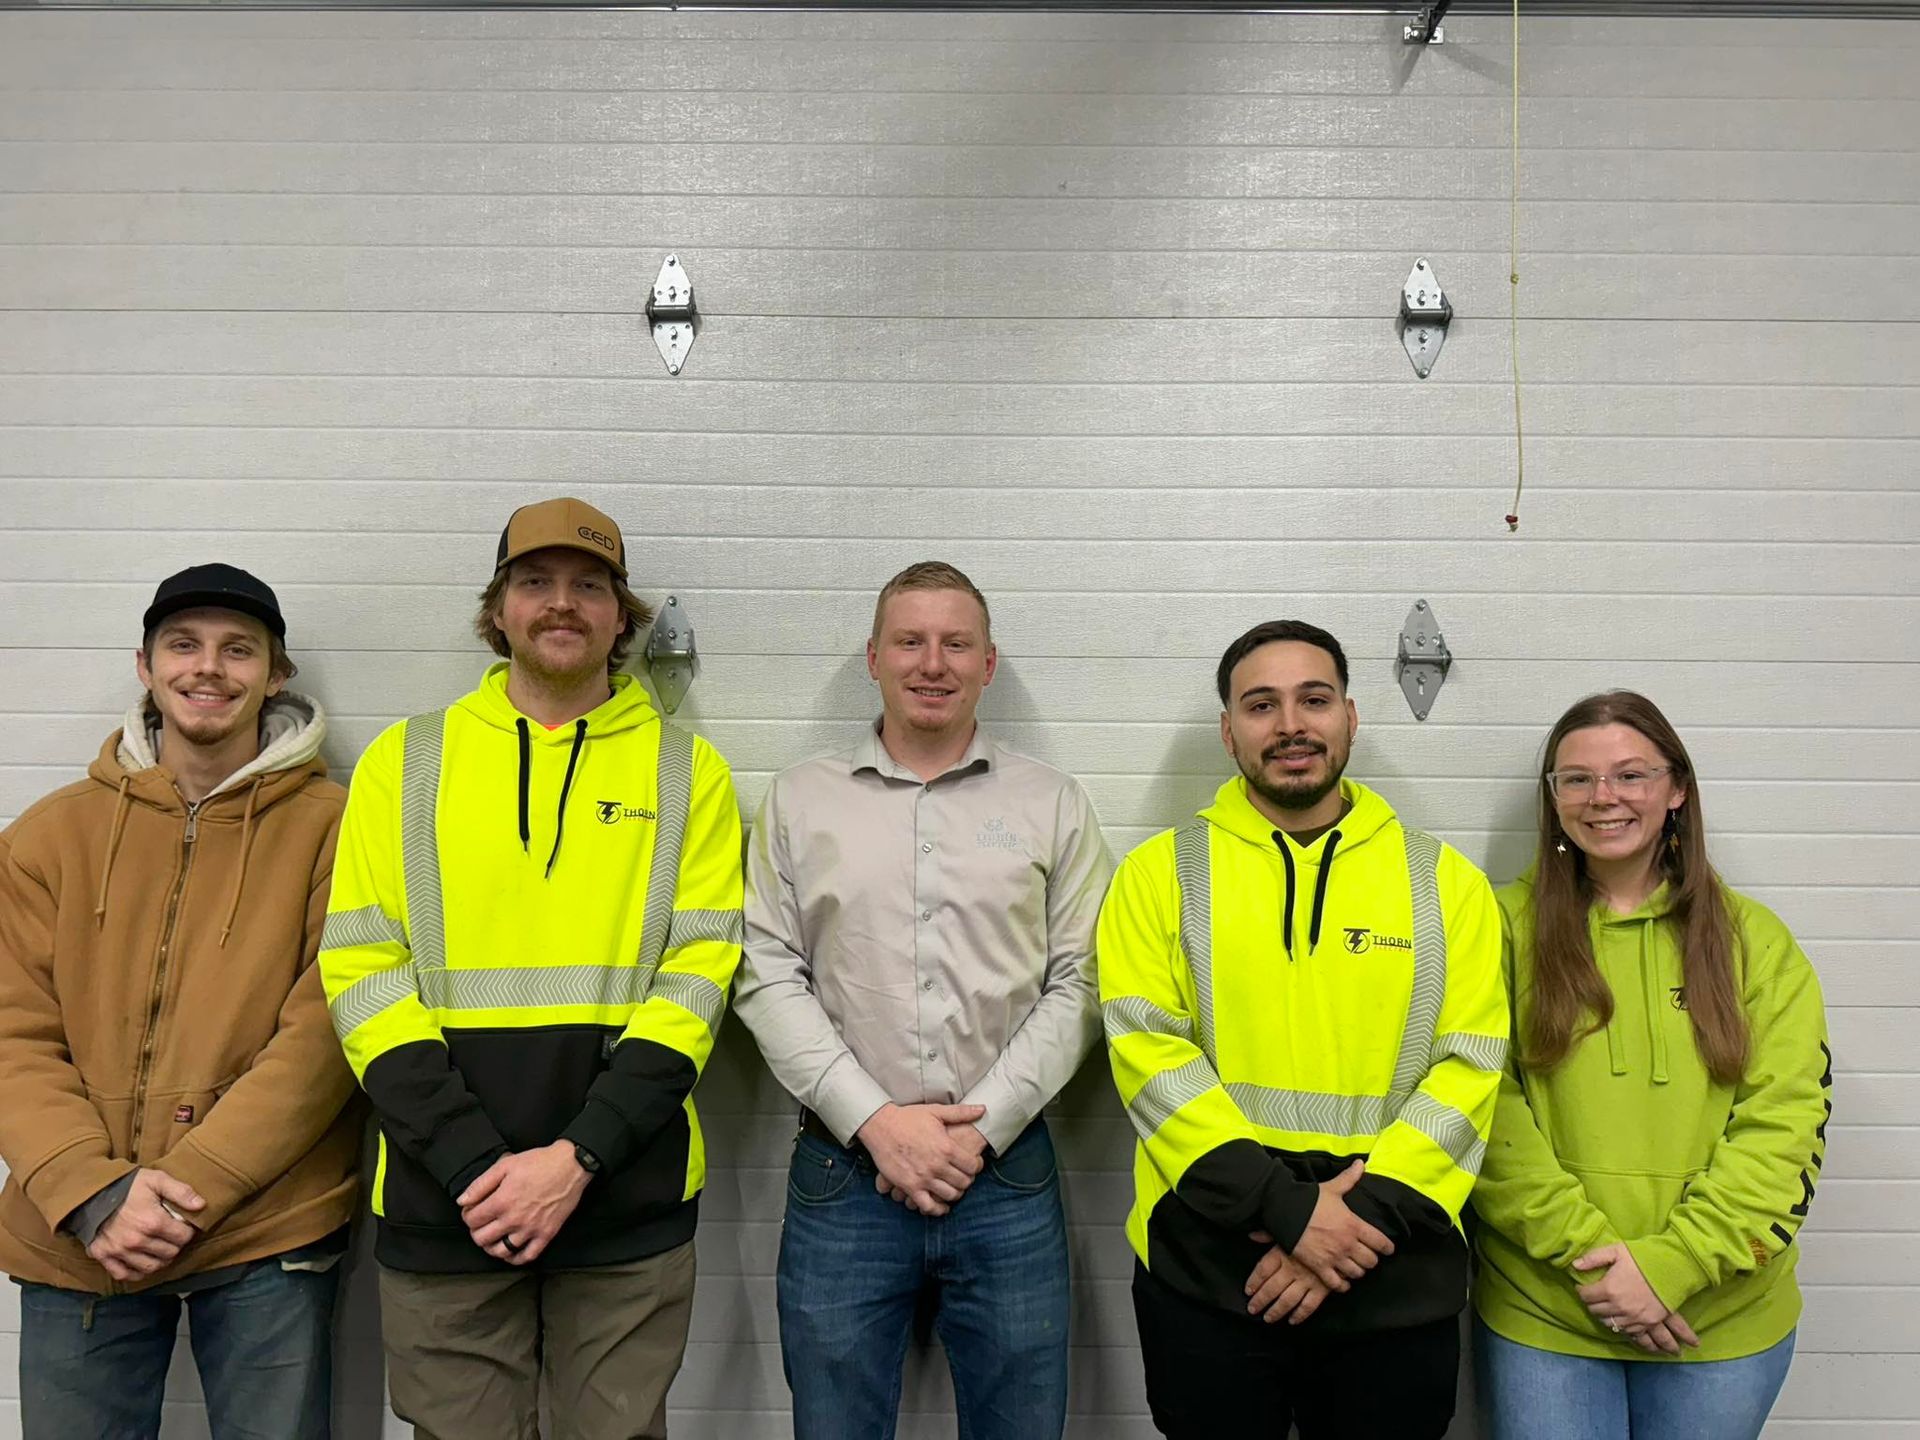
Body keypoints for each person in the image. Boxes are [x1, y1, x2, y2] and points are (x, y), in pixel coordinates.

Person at [319, 498, 743, 1439]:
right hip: (445, 1197)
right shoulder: (405, 762)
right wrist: (477, 1163)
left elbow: (698, 982)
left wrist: (577, 1157)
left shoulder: (689, 774)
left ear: (621, 617)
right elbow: (361, 972)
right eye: (535, 583)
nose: (563, 605)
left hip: (627, 1198)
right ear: (498, 607)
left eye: (589, 586)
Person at [1097, 619, 1507, 1439]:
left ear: (1351, 717)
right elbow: (1150, 1057)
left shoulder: (1447, 884)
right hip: (1211, 1275)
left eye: (1313, 699)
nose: (1290, 725)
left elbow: (1472, 1067)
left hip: (1391, 1272)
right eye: (1261, 704)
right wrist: (1287, 1212)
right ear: (1228, 730)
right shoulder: (1157, 876)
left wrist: (1348, 1227)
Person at [732, 560, 1112, 1440]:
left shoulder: (1051, 803)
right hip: (843, 1175)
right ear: (873, 656)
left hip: (1007, 1176)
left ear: (988, 662)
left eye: (955, 643)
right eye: (910, 640)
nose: (931, 662)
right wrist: (874, 1120)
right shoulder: (799, 801)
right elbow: (765, 970)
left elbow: (1084, 981)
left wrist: (980, 1131)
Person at [0, 564, 361, 1440]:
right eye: (185, 645)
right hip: (79, 1235)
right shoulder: (49, 836)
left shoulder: (341, 828)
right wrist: (95, 1194)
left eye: (240, 650)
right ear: (146, 665)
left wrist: (181, 1193)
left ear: (276, 675)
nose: (210, 669)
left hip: (267, 1231)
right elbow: (14, 1032)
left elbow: (325, 1034)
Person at [1470, 690, 1831, 1440]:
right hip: (1549, 1315)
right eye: (1576, 779)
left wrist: (1675, 1266)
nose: (1603, 798)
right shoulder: (1497, 928)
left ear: (1677, 790)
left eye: (1630, 775)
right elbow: (1482, 1109)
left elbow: (1787, 1122)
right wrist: (1601, 1271)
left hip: (1722, 1321)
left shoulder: (1754, 943)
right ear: (1554, 797)